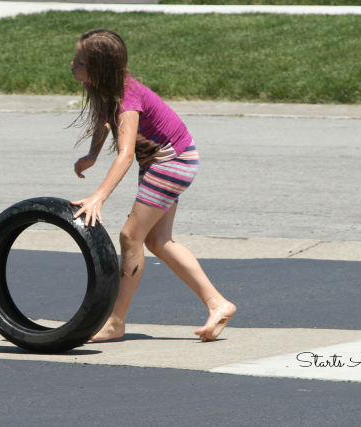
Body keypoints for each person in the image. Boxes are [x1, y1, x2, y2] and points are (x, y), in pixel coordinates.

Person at [69, 29, 236, 342]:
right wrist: (92, 154)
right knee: (158, 241)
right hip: (163, 160)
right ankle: (218, 304)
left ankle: (116, 321)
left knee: (130, 235)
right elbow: (105, 116)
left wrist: (98, 197)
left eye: (80, 62)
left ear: (101, 68)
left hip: (171, 162)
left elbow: (126, 154)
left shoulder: (128, 99)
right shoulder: (102, 85)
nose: (72, 65)